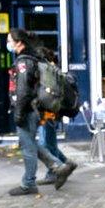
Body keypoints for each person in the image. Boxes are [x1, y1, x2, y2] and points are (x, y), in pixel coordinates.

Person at [7, 29, 74, 196]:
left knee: (27, 147)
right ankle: (58, 167)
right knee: (30, 143)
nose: (8, 43)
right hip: (34, 109)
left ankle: (29, 182)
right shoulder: (34, 58)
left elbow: (23, 91)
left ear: (19, 42)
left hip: (28, 110)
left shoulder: (24, 62)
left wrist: (19, 113)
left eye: (9, 40)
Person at [35, 46, 77, 187]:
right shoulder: (53, 70)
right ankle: (67, 164)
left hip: (47, 112)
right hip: (54, 112)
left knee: (43, 144)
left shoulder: (46, 71)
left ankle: (57, 169)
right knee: (49, 143)